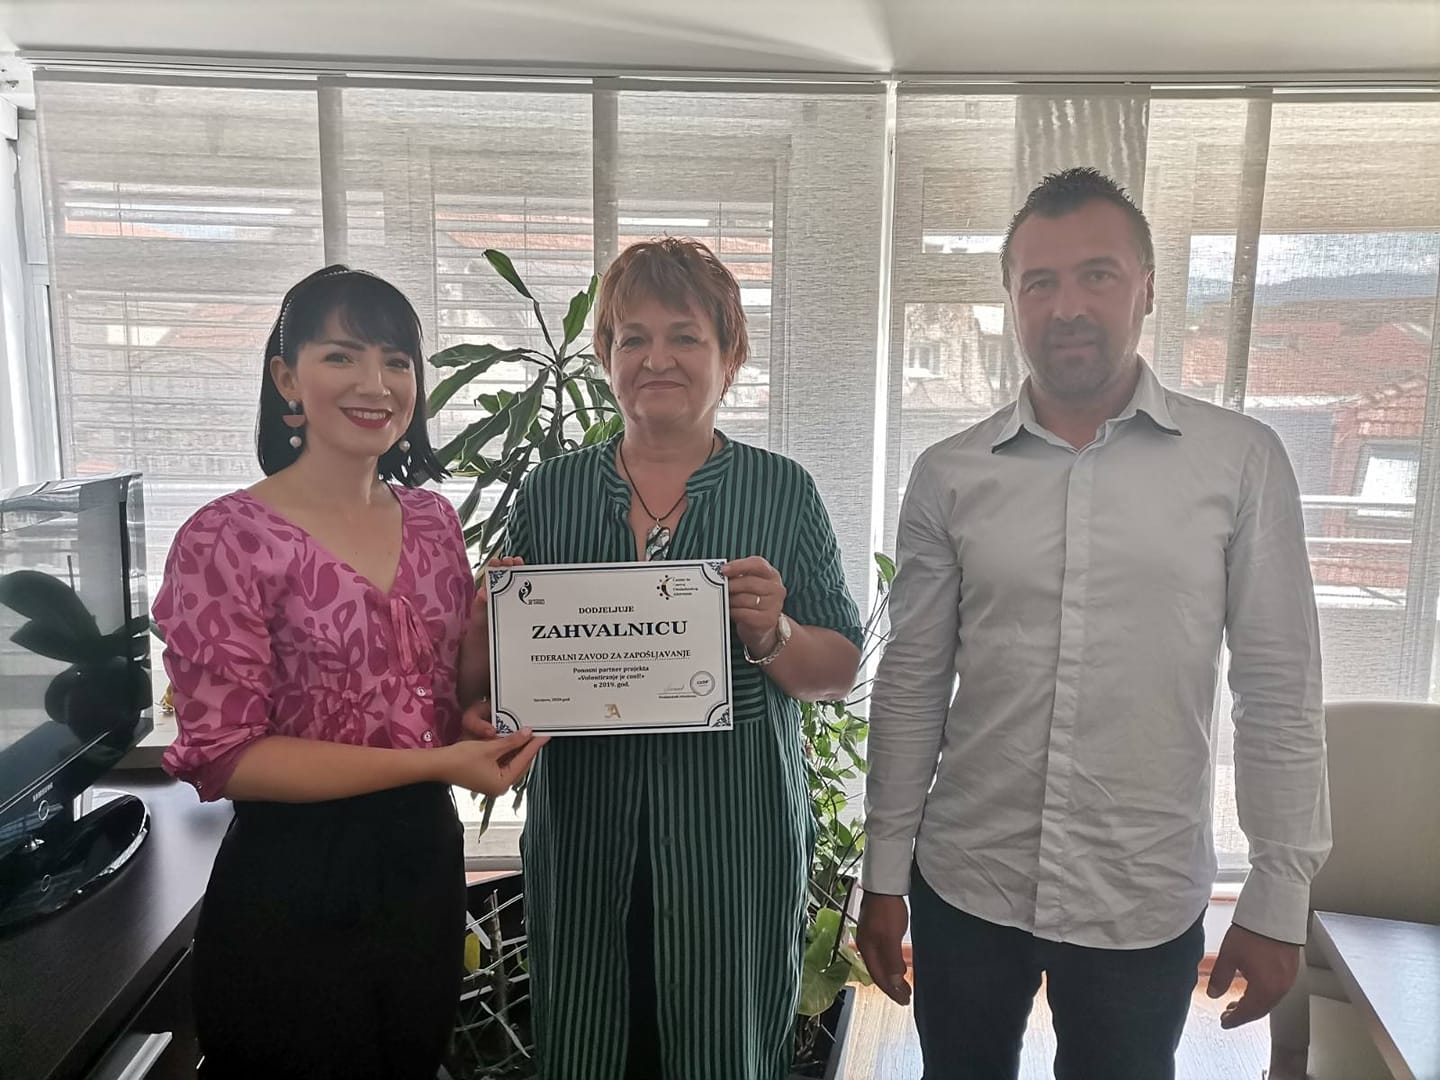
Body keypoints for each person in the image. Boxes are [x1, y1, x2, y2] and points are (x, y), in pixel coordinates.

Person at [856, 168, 1331, 1080]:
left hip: (1141, 892)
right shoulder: (950, 474)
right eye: (1039, 281)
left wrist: (1279, 894)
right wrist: (883, 874)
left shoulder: (1240, 462)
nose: (1067, 306)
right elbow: (912, 683)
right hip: (969, 882)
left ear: (1147, 287)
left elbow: (1278, 690)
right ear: (1011, 299)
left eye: (1097, 275)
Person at [465, 237, 863, 1079]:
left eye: (685, 336)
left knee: (724, 1044)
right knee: (591, 1040)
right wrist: (490, 621)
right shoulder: (552, 492)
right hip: (585, 832)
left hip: (733, 835)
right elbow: (494, 678)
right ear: (606, 356)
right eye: (632, 338)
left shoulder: (781, 491)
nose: (657, 359)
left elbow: (838, 670)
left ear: (729, 356)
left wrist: (774, 634)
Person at [155, 265, 547, 1080]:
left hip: (422, 867)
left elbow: (441, 701)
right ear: (286, 378)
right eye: (342, 356)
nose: (376, 384)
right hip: (293, 879)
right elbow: (228, 756)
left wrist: (481, 640)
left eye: (397, 361)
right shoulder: (225, 538)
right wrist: (437, 763)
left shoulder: (434, 522)